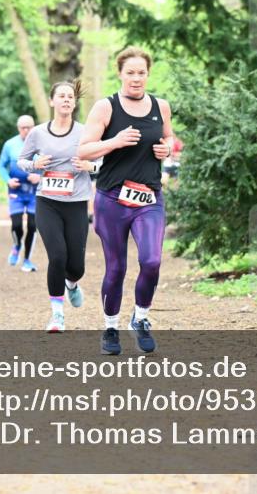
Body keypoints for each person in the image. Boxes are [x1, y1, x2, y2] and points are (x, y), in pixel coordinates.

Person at [79, 47, 173, 355]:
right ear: (120, 73)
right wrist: (114, 142)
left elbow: (169, 138)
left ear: (148, 74)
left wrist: (167, 149)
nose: (136, 78)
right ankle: (110, 328)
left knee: (152, 260)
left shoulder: (161, 106)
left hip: (149, 198)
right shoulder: (106, 108)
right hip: (112, 200)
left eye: (141, 72)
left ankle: (141, 318)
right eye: (130, 72)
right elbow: (83, 150)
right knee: (116, 267)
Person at [18, 81, 98, 333]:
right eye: (61, 96)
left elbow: (104, 162)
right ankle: (57, 315)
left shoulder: (86, 132)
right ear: (52, 101)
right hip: (47, 203)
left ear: (75, 103)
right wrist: (35, 164)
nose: (66, 100)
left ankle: (72, 284)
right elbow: (22, 160)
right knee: (57, 256)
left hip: (76, 204)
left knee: (76, 267)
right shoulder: (38, 133)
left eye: (70, 96)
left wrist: (90, 167)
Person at [0, 115, 41, 272]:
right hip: (16, 190)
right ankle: (17, 245)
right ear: (18, 128)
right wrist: (8, 180)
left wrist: (40, 176)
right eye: (23, 127)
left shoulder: (41, 144)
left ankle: (27, 260)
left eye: (29, 127)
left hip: (34, 192)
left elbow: (51, 165)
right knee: (17, 225)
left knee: (32, 225)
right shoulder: (10, 144)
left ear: (34, 127)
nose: (26, 130)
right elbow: (1, 166)